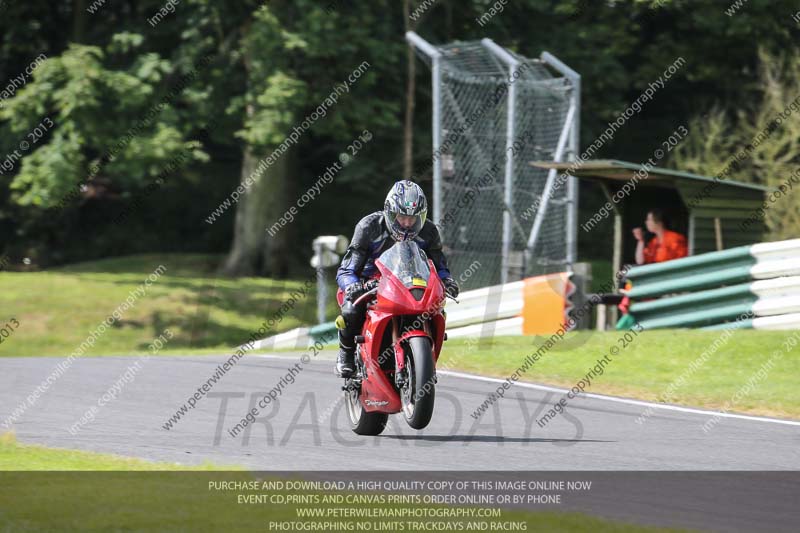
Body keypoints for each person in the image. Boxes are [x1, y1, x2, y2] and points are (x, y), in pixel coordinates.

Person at [334, 180, 459, 377]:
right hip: (368, 282)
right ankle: (346, 353)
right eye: (402, 217)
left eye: (413, 218)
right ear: (390, 212)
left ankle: (424, 360)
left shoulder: (429, 231)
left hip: (407, 281)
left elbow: (439, 266)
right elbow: (347, 269)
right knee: (351, 309)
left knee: (437, 310)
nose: (408, 223)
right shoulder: (368, 227)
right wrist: (353, 286)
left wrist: (448, 281)